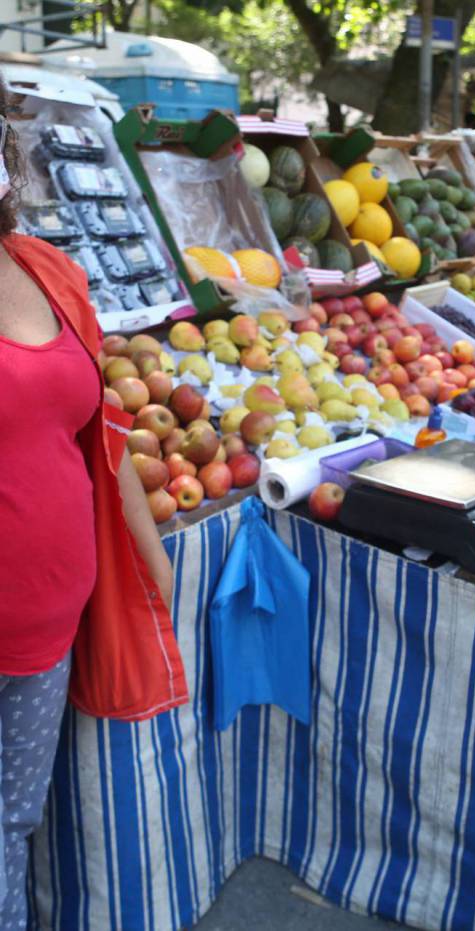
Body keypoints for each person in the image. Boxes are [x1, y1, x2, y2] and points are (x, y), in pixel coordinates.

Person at [0, 79, 187, 928]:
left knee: (10, 824)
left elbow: (101, 443)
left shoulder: (47, 270)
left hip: (46, 624)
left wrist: (154, 570)